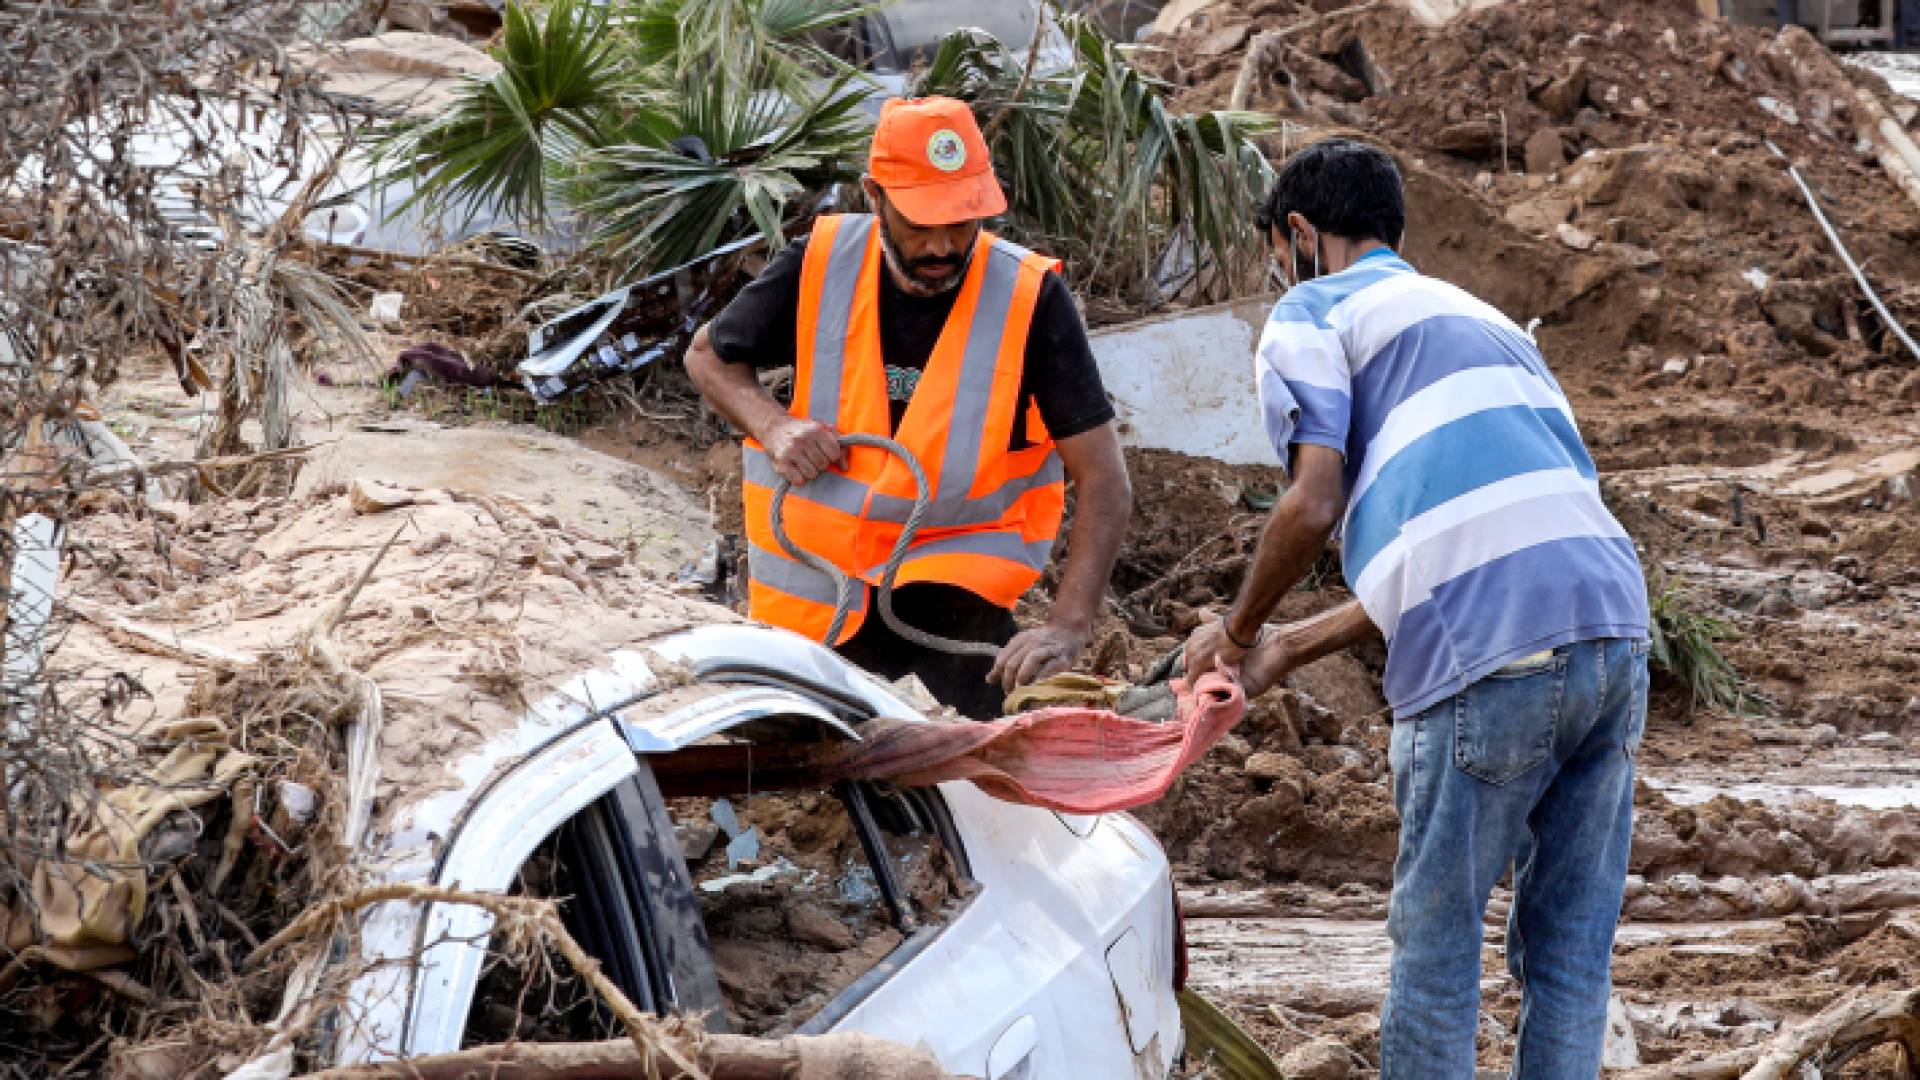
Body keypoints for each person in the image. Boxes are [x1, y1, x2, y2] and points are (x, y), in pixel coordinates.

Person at [1183, 138, 1651, 1078]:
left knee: (1436, 955)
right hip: (1612, 628)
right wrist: (1288, 644)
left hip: (1493, 654)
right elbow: (1463, 546)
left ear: (1302, 235)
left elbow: (1314, 502)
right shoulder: (1487, 319)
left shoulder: (1310, 307)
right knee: (1569, 955)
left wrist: (1232, 636)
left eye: (1281, 251)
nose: (1283, 269)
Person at [685, 96, 1131, 720]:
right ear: (875, 196)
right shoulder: (821, 263)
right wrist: (773, 424)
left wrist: (1068, 625)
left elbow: (1105, 477)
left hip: (948, 591)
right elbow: (707, 355)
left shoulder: (1029, 298)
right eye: (921, 222)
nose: (943, 244)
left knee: (984, 764)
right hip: (817, 590)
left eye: (961, 221)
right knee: (805, 778)